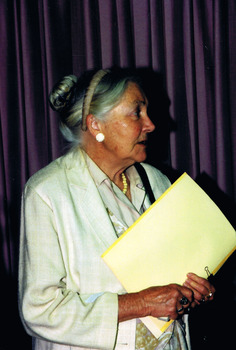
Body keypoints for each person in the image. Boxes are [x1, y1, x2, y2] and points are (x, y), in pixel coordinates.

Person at [19, 68, 215, 350]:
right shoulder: (47, 192)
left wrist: (192, 291)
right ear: (96, 125)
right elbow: (40, 311)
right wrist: (141, 303)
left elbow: (174, 280)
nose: (151, 125)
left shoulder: (156, 181)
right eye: (137, 113)